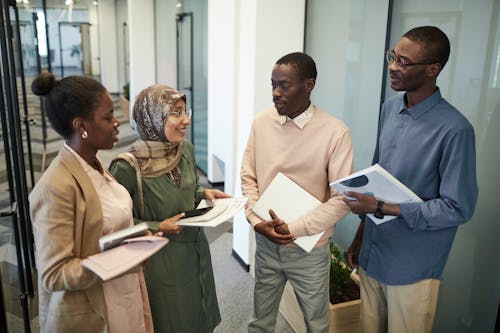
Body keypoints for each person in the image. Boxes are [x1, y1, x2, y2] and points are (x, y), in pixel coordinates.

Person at [344, 26, 478, 333]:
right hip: (374, 254)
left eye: (404, 62)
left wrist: (381, 206)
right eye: (393, 56)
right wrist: (362, 232)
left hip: (412, 267)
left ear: (433, 70)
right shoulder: (390, 109)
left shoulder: (455, 129)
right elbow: (376, 176)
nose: (392, 66)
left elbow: (458, 208)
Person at [29, 72, 153, 333]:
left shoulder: (94, 163)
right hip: (94, 308)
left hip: (122, 292)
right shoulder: (55, 188)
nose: (116, 123)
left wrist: (136, 243)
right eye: (108, 117)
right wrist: (122, 259)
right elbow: (54, 274)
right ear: (82, 126)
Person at [241, 52, 355, 332]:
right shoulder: (261, 123)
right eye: (272, 85)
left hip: (309, 250)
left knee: (317, 325)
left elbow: (343, 200)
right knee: (260, 323)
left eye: (284, 85)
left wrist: (294, 228)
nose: (275, 93)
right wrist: (258, 222)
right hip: (267, 243)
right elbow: (248, 178)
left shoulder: (335, 132)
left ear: (309, 85)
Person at [109, 84, 230, 333]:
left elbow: (184, 193)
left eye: (185, 111)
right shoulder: (127, 167)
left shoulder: (185, 150)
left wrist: (202, 194)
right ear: (153, 117)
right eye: (176, 112)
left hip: (195, 250)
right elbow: (113, 225)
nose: (185, 120)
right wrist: (156, 225)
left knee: (200, 313)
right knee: (171, 321)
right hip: (160, 260)